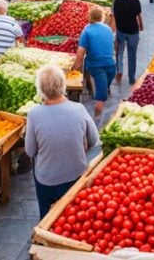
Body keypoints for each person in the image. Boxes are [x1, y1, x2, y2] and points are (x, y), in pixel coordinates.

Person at [25, 65, 100, 218]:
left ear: (40, 90)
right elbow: (94, 140)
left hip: (47, 180)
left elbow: (30, 151)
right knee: (73, 217)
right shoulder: (79, 109)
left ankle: (45, 227)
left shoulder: (34, 114)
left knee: (47, 218)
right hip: (75, 176)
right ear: (63, 85)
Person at [74, 7, 116, 119]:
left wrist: (75, 68)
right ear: (102, 17)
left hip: (97, 66)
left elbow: (80, 53)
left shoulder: (87, 30)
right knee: (103, 87)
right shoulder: (108, 29)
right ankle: (94, 89)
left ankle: (96, 122)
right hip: (112, 66)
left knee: (100, 99)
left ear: (89, 17)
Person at [111, 0, 143, 83]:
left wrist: (113, 31)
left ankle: (119, 69)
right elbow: (139, 17)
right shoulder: (135, 1)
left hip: (121, 30)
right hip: (133, 31)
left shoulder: (116, 1)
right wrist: (141, 27)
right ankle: (131, 77)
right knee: (132, 54)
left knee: (119, 52)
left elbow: (114, 17)